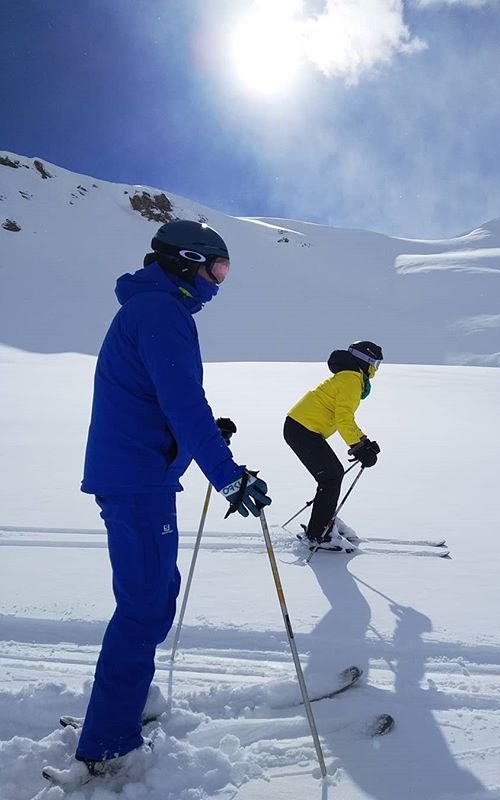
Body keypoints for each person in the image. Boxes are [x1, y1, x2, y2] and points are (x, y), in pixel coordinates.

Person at [72, 220, 271, 774]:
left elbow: (160, 406)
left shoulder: (152, 308)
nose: (219, 283)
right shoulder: (162, 312)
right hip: (137, 483)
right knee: (143, 609)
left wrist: (203, 445)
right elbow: (183, 405)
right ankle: (109, 743)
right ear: (188, 261)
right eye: (218, 269)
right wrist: (227, 476)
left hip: (141, 477)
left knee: (155, 599)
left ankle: (124, 708)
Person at [283, 341, 382, 551]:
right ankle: (318, 534)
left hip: (301, 428)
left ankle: (324, 524)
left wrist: (362, 442)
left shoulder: (349, 377)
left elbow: (343, 417)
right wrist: (359, 446)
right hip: (302, 429)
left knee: (333, 474)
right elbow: (343, 417)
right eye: (374, 363)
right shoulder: (352, 379)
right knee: (331, 476)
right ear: (365, 361)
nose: (375, 369)